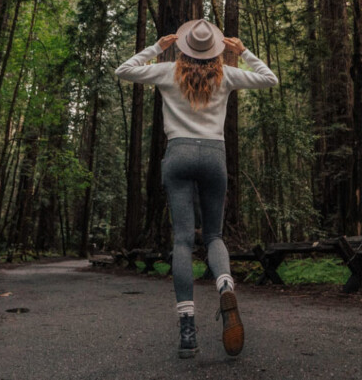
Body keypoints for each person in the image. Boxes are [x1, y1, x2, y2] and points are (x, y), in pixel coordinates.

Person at [114, 18, 278, 359]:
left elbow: (124, 70)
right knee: (215, 235)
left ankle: (187, 328)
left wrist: (158, 47)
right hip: (214, 156)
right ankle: (224, 285)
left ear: (183, 47)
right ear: (217, 48)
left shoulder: (167, 70)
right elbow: (269, 79)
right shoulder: (227, 74)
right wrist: (244, 50)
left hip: (178, 154)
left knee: (183, 240)